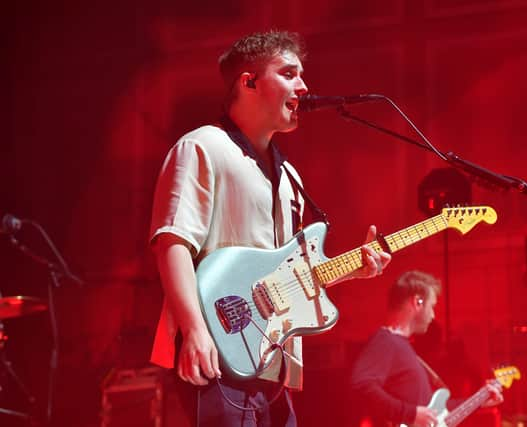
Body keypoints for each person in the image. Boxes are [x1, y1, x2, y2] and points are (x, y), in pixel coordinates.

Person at [148, 30, 391, 427]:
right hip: (217, 356)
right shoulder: (203, 147)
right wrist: (194, 331)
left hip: (273, 367)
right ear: (249, 82)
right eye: (289, 73)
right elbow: (172, 243)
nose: (304, 85)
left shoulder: (289, 176)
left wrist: (354, 269)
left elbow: (285, 278)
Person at [350, 270, 503, 427]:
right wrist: (411, 414)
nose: (433, 315)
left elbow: (433, 413)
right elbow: (362, 385)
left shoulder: (402, 346)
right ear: (418, 302)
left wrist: (480, 400)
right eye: (432, 306)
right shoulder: (385, 341)